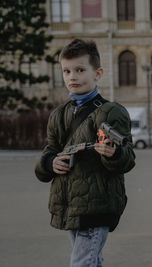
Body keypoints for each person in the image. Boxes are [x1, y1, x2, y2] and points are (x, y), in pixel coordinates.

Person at [34, 39, 136, 267]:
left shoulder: (112, 112)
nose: (72, 77)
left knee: (82, 263)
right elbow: (48, 153)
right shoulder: (58, 115)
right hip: (70, 206)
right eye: (67, 71)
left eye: (80, 70)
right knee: (91, 261)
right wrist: (51, 163)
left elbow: (128, 158)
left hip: (98, 206)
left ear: (97, 73)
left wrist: (113, 153)